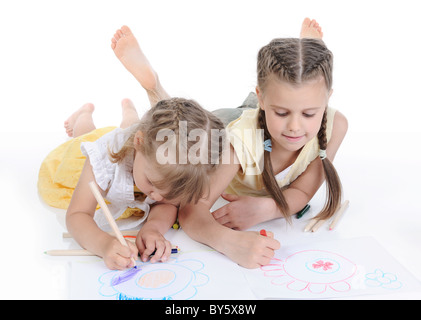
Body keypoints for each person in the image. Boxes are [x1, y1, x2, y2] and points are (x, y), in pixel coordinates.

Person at [109, 18, 348, 269]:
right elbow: (191, 209)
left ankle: (307, 51)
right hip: (225, 125)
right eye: (282, 113)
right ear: (262, 99)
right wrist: (228, 241)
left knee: (295, 91)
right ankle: (154, 88)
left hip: (265, 117)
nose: (295, 127)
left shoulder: (335, 126)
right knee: (179, 141)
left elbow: (302, 191)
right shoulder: (236, 143)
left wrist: (267, 208)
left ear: (327, 100)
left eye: (309, 114)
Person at [38, 95, 226, 270]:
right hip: (90, 159)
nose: (158, 197)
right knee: (86, 133)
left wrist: (153, 228)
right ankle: (83, 114)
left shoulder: (165, 162)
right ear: (139, 141)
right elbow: (77, 214)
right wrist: (103, 245)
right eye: (152, 183)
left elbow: (164, 204)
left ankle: (129, 110)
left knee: (131, 126)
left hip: (136, 141)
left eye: (169, 193)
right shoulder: (103, 157)